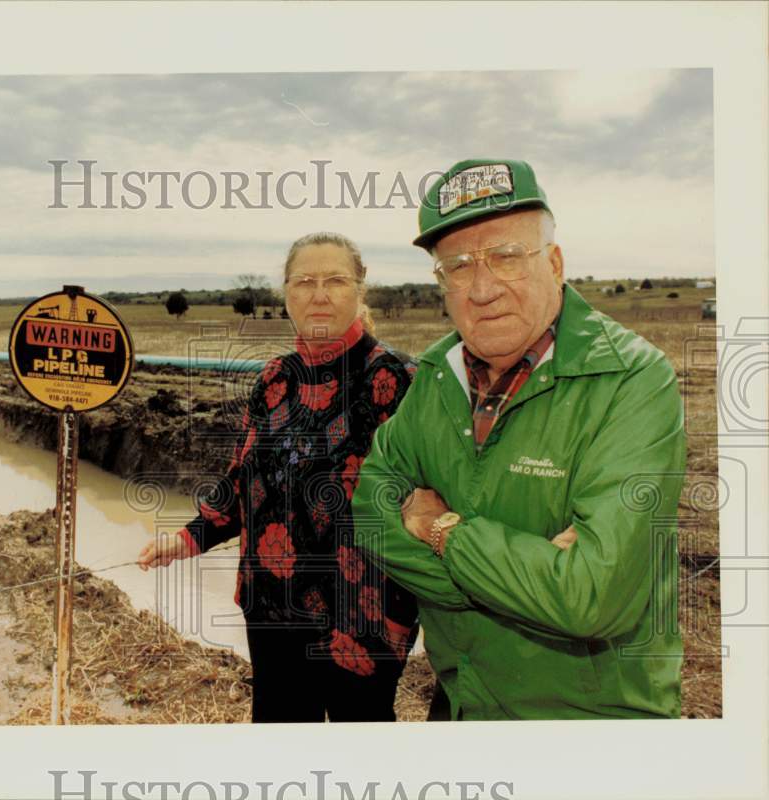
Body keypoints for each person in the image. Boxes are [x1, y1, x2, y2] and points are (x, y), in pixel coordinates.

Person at [351, 159, 686, 720]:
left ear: (554, 263)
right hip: (463, 701)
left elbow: (589, 598)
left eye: (506, 256)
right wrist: (522, 577)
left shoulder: (632, 379)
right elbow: (369, 508)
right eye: (457, 266)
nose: (482, 289)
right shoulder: (436, 375)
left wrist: (440, 531)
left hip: (588, 722)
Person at [138, 232, 419, 723]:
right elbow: (243, 482)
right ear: (286, 293)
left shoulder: (397, 380)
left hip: (361, 620)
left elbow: (425, 503)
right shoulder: (273, 380)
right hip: (271, 610)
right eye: (305, 281)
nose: (320, 293)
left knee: (365, 758)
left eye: (336, 280)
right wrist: (187, 538)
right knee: (281, 747)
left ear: (359, 290)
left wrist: (405, 611)